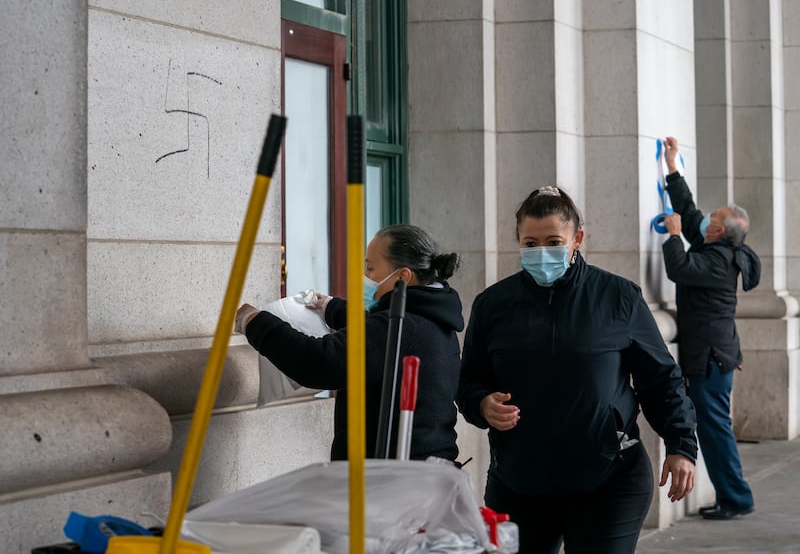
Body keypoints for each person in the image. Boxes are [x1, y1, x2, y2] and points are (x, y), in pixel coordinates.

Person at [457, 185, 698, 553]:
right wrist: (481, 404)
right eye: (530, 243)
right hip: (519, 484)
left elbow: (662, 379)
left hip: (608, 480)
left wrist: (681, 445)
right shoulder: (493, 305)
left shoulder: (618, 297)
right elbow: (469, 381)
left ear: (577, 239)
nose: (542, 252)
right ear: (518, 242)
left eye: (553, 241)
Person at [235, 224, 464, 462]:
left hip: (392, 481)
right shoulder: (434, 319)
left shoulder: (397, 328)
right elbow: (374, 336)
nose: (365, 276)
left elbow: (318, 361)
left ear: (403, 276)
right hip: (427, 470)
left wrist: (255, 322)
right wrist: (332, 308)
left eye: (371, 267)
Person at [661, 136, 761, 521]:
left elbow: (680, 269)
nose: (705, 220)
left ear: (718, 232)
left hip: (711, 359)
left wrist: (672, 236)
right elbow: (688, 211)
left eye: (712, 220)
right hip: (714, 355)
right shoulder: (715, 246)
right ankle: (732, 495)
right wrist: (672, 166)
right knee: (714, 428)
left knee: (715, 430)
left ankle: (736, 498)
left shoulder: (718, 261)